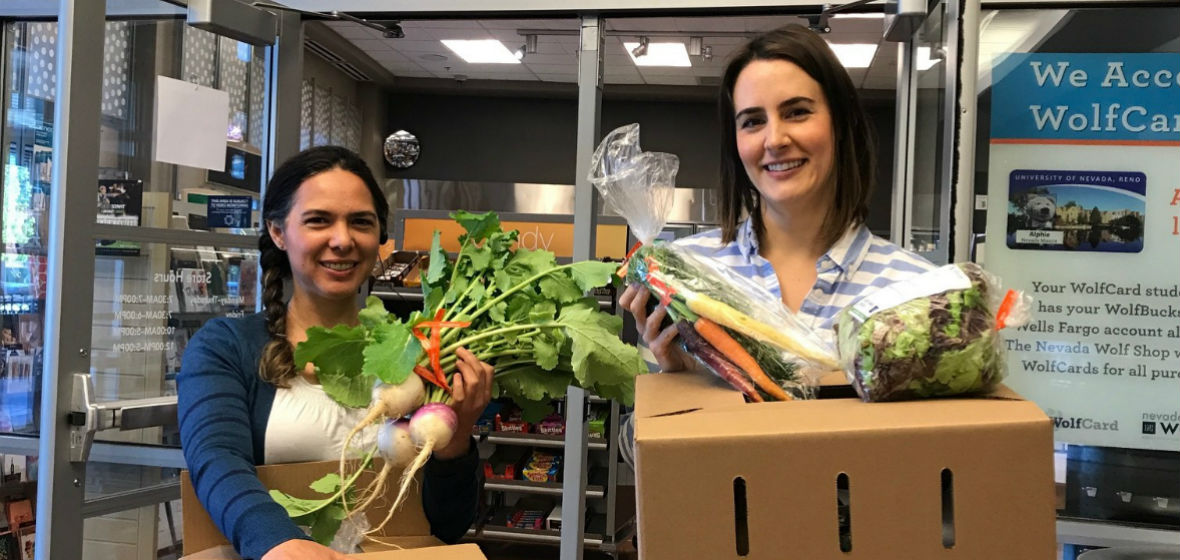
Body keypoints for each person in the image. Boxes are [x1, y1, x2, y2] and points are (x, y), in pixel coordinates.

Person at [178, 146, 493, 560]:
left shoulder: (413, 353)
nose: (342, 240)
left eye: (360, 222)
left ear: (379, 236)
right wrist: (276, 540)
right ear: (278, 231)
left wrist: (457, 437)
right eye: (318, 221)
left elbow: (445, 526)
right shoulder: (225, 346)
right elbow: (216, 460)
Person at [620, 24, 935, 373]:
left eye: (797, 112)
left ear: (840, 124)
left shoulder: (918, 291)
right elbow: (650, 425)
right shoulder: (686, 276)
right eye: (753, 121)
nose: (775, 139)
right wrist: (677, 375)